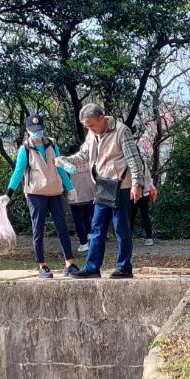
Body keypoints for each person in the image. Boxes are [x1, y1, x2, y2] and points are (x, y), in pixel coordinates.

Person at [60, 103, 148, 278]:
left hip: (121, 185)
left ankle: (124, 267)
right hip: (101, 185)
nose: (90, 129)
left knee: (121, 228)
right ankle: (92, 268)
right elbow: (84, 155)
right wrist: (67, 160)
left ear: (101, 118)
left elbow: (134, 160)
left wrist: (137, 184)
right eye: (87, 127)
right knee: (97, 227)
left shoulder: (122, 131)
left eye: (92, 125)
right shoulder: (92, 134)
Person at [5, 113, 78, 278]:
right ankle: (42, 266)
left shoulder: (52, 144)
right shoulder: (25, 149)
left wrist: (70, 187)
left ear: (43, 129)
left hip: (55, 192)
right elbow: (18, 172)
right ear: (28, 130)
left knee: (62, 228)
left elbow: (60, 166)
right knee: (38, 230)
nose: (37, 133)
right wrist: (8, 193)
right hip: (35, 194)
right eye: (33, 130)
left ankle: (70, 263)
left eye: (39, 129)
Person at [68, 161, 96, 252]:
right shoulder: (89, 162)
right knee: (89, 217)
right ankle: (91, 238)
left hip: (75, 196)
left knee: (78, 220)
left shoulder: (68, 164)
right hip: (90, 194)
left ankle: (84, 243)